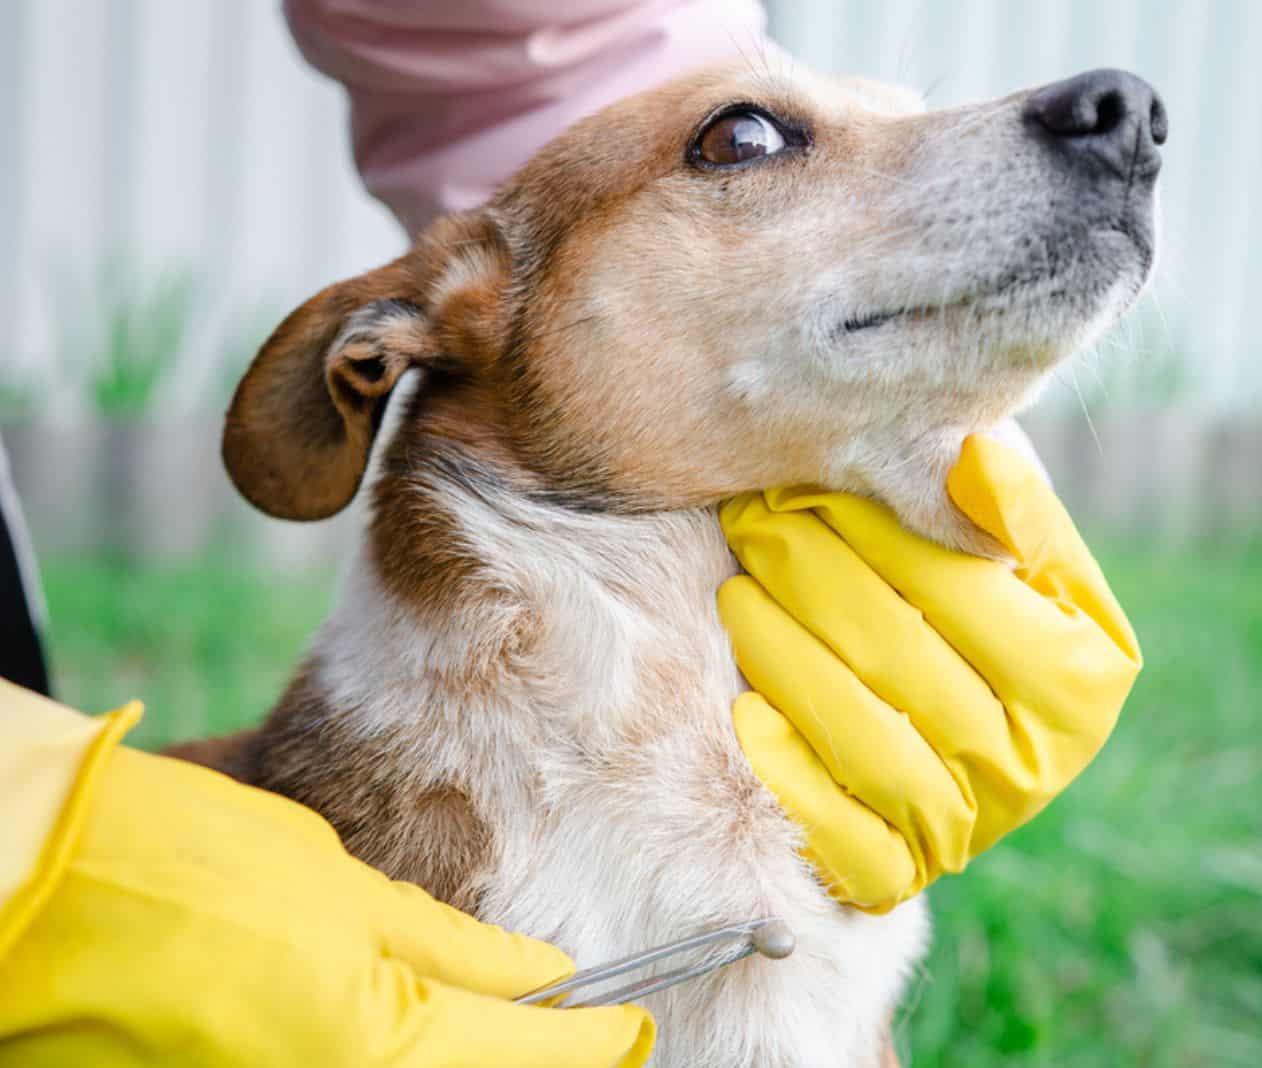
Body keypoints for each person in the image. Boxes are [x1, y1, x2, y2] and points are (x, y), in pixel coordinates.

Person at [0, 3, 1142, 1064]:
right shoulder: (235, 886)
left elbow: (541, 33)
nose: (1113, 125)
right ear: (464, 315)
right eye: (746, 142)